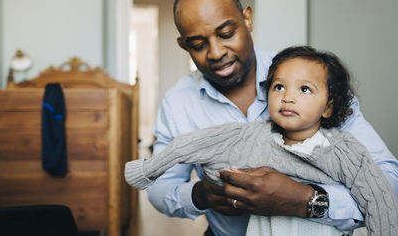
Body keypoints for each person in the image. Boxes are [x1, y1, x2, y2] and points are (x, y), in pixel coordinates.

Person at [144, 0, 398, 236]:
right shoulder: (178, 102)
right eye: (198, 44)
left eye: (226, 33)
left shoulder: (310, 80)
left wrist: (304, 200)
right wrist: (201, 195)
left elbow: (388, 180)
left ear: (248, 19)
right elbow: (160, 187)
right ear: (183, 45)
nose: (216, 52)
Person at [125, 46, 398, 235]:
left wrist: (303, 198)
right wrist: (150, 171)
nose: (288, 97)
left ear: (329, 106)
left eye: (304, 90)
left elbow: (380, 198)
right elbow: (197, 144)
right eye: (279, 87)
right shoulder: (252, 135)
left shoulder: (342, 150)